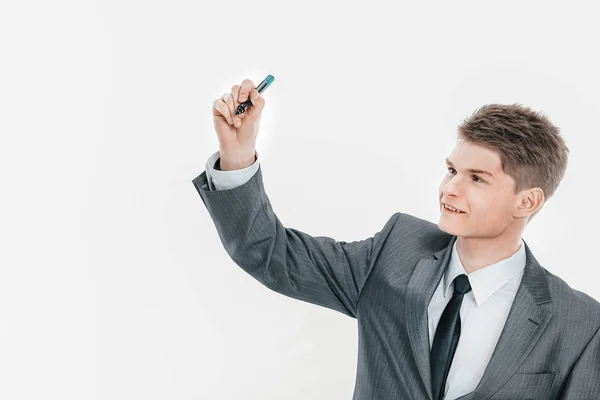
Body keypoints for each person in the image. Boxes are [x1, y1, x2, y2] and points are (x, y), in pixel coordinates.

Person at [191, 78, 600, 399]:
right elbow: (268, 253)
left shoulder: (579, 323)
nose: (450, 189)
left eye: (477, 178)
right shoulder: (395, 252)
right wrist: (237, 153)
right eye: (452, 170)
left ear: (526, 201)